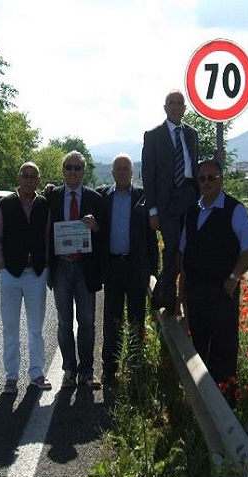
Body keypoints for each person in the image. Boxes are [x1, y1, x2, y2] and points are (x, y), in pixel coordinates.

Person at [179, 159, 248, 394]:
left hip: (222, 293)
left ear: (221, 180)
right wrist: (181, 293)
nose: (206, 182)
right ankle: (202, 400)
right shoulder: (192, 212)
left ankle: (226, 402)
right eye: (202, 178)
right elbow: (184, 255)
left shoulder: (234, 210)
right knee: (199, 347)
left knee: (224, 350)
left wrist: (234, 276)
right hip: (196, 294)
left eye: (211, 178)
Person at [0, 162, 52, 395]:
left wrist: (46, 263)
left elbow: (48, 236)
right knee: (10, 327)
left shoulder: (44, 204)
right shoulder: (5, 204)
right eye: (25, 175)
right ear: (18, 178)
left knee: (36, 327)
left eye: (33, 176)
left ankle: (37, 373)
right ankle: (11, 376)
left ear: (38, 180)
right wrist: (1, 263)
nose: (28, 179)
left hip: (36, 273)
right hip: (11, 274)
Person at [96, 153, 159, 383]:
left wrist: (153, 270)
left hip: (136, 268)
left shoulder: (144, 197)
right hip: (113, 267)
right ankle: (109, 369)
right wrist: (50, 190)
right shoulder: (102, 196)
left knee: (136, 319)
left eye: (126, 168)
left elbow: (151, 237)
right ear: (112, 172)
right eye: (118, 168)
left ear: (132, 172)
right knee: (111, 320)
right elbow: (79, 196)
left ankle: (135, 366)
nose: (122, 172)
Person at [46, 151, 104, 389]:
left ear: (83, 171)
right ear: (62, 171)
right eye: (68, 167)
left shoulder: (95, 198)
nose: (72, 172)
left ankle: (87, 371)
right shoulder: (51, 196)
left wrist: (96, 226)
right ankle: (69, 370)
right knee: (64, 322)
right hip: (60, 266)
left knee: (87, 322)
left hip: (85, 267)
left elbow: (104, 233)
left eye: (77, 168)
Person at [141, 89, 199, 314]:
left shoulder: (192, 134)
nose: (175, 106)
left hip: (190, 197)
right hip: (167, 202)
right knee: (173, 247)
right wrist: (152, 211)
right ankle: (166, 295)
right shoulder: (153, 136)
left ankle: (173, 296)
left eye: (179, 103)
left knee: (189, 251)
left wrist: (215, 161)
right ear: (165, 108)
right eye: (171, 103)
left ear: (185, 108)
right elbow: (149, 176)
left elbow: (192, 165)